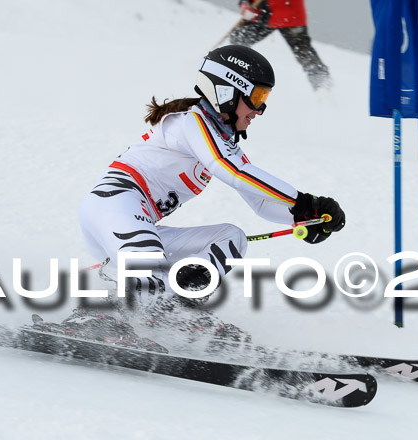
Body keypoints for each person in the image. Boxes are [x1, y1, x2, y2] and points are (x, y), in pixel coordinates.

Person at [47, 45, 345, 344]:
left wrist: (303, 217)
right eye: (256, 97)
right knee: (148, 262)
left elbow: (259, 200)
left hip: (139, 224)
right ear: (227, 90)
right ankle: (92, 315)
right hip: (112, 207)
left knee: (231, 238)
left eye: (264, 99)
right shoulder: (191, 122)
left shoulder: (219, 140)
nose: (259, 110)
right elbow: (235, 172)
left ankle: (175, 309)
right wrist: (301, 200)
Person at [230, 0, 331, 90]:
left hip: (288, 14)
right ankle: (231, 76)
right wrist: (246, 4)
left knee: (304, 52)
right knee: (238, 40)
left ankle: (322, 85)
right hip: (265, 14)